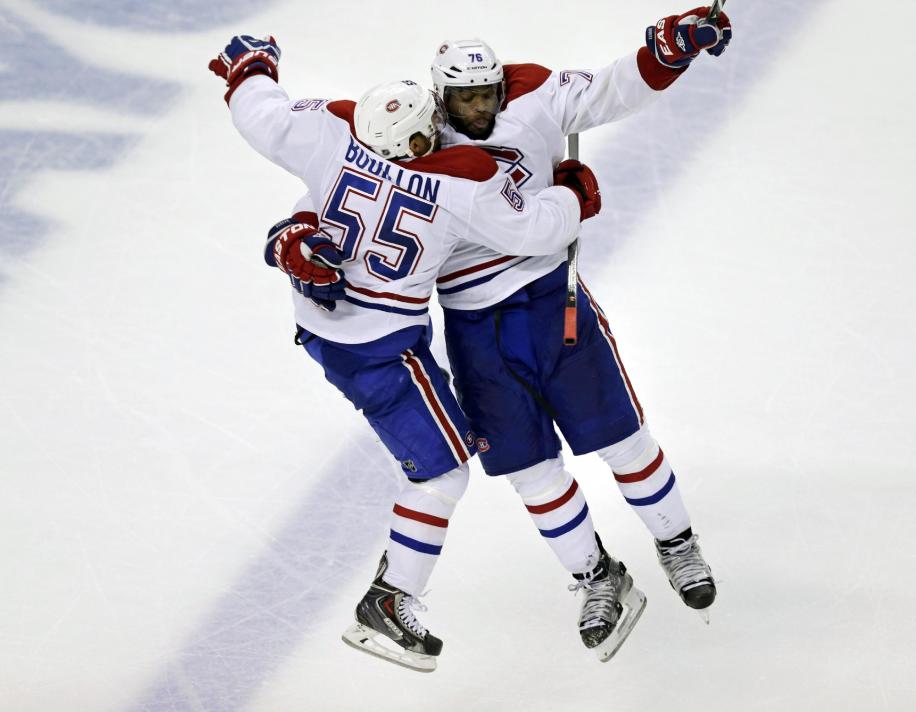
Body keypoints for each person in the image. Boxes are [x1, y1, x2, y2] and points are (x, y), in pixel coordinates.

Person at [208, 35, 602, 672]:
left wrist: (253, 70)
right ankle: (391, 602)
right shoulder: (457, 188)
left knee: (448, 460)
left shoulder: (333, 138)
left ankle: (404, 593)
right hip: (385, 352)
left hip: (324, 332)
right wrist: (571, 195)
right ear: (419, 141)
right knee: (445, 471)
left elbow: (262, 117)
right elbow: (534, 228)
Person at [426, 6, 733, 657]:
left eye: (488, 93)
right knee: (530, 471)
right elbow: (351, 170)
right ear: (440, 95)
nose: (479, 108)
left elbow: (613, 88)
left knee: (622, 441)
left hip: (548, 303)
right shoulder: (415, 132)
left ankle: (677, 544)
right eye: (465, 97)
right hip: (473, 332)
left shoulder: (534, 91)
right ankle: (597, 578)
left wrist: (670, 49)